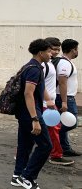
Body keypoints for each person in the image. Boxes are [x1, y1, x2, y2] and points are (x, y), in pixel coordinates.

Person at [11, 39, 52, 189]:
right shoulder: (34, 69)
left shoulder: (30, 66)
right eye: (48, 51)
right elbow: (29, 94)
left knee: (25, 145)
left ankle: (17, 176)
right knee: (46, 146)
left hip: (24, 113)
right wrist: (35, 119)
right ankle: (27, 177)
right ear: (40, 53)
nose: (51, 54)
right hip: (31, 114)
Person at [43, 37, 74, 166]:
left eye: (58, 49)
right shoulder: (43, 65)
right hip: (45, 104)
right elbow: (39, 85)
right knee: (54, 128)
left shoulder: (51, 63)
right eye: (53, 49)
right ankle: (56, 155)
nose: (55, 52)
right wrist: (48, 100)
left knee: (46, 129)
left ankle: (24, 153)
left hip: (48, 103)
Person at [55, 38, 80, 157]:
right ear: (73, 49)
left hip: (67, 97)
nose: (77, 52)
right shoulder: (64, 63)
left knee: (65, 121)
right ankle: (51, 135)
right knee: (72, 122)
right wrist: (64, 102)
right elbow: (62, 82)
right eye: (77, 49)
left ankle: (65, 148)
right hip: (65, 98)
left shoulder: (67, 62)